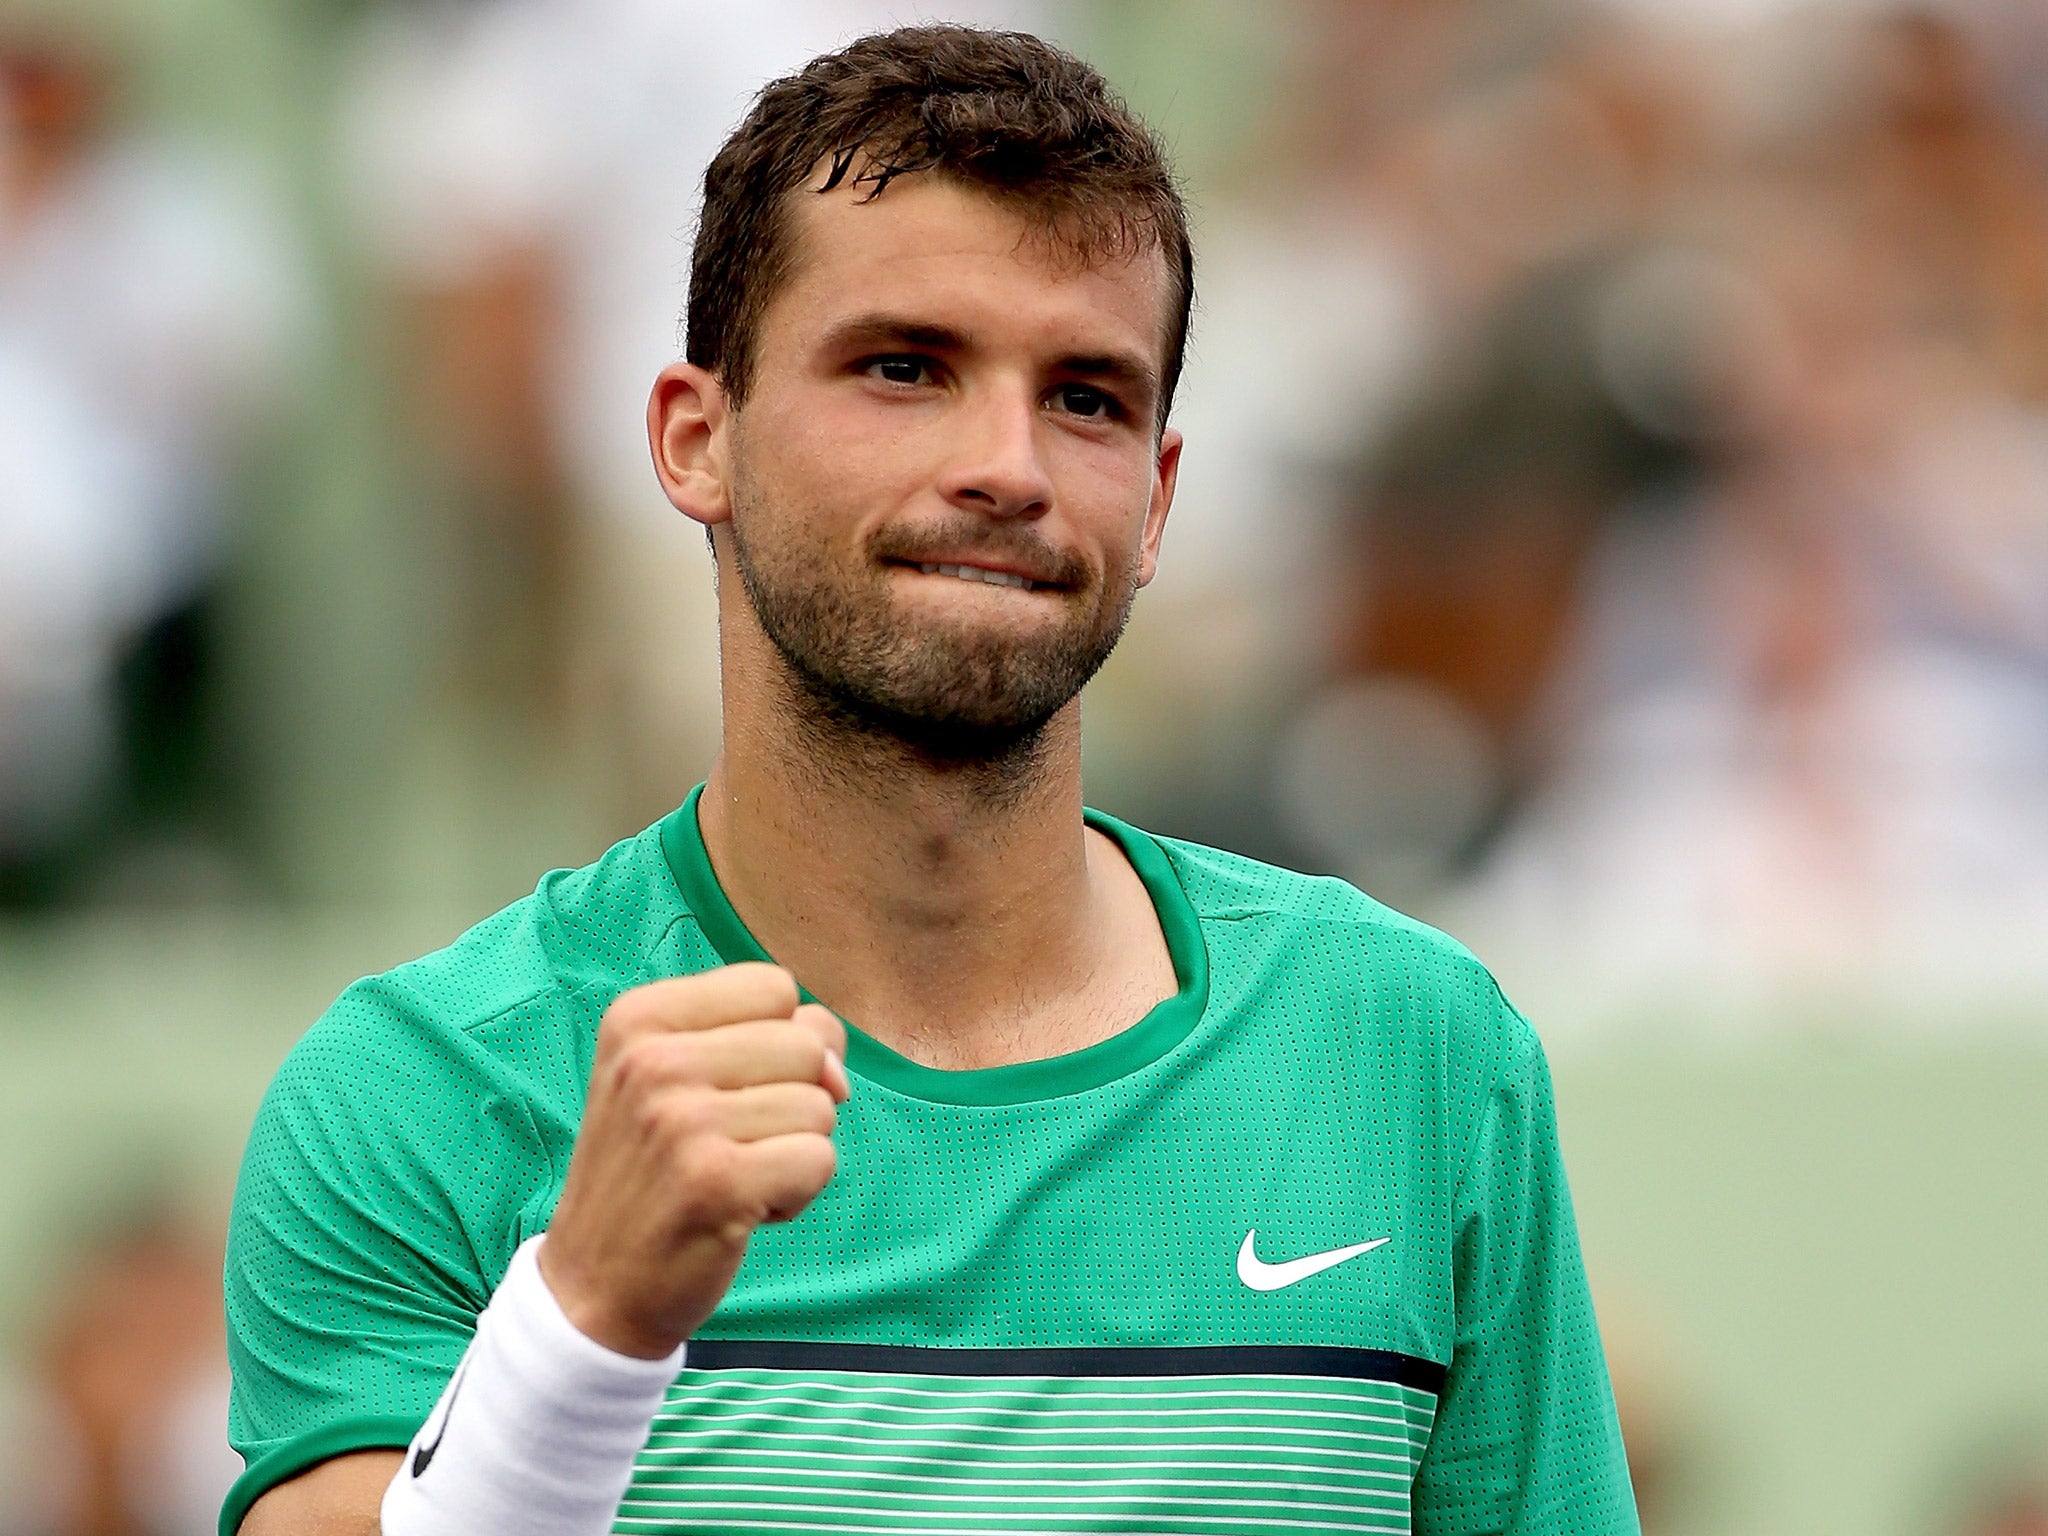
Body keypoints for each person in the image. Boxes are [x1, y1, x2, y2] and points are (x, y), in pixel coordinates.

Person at [221, 25, 1637, 1536]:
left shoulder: (1418, 1054)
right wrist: (581, 1331)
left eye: (1088, 396)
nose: (1007, 465)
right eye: (905, 368)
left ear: (1156, 505)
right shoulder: (418, 1094)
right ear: (698, 441)